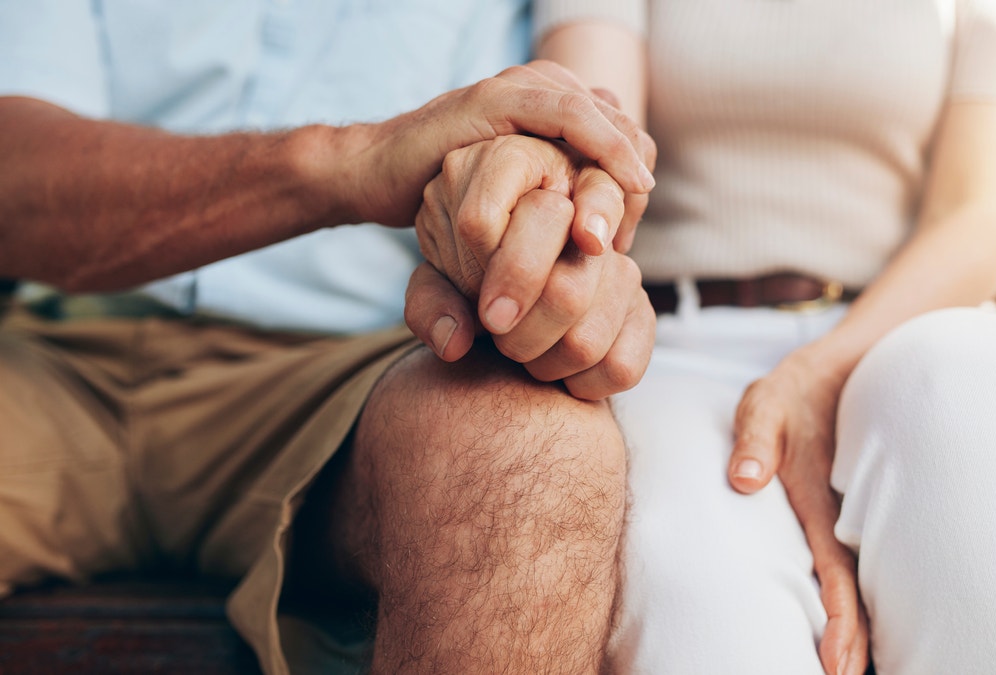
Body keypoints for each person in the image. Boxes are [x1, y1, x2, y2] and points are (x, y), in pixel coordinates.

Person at [518, 1, 996, 673]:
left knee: (983, 392)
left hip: (902, 325)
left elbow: (978, 211)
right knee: (700, 589)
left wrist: (819, 371)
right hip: (669, 349)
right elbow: (593, 137)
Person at [0, 2, 656, 673]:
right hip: (58, 358)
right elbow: (13, 179)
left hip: (350, 375)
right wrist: (351, 161)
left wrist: (531, 222)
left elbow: (546, 149)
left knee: (531, 453)